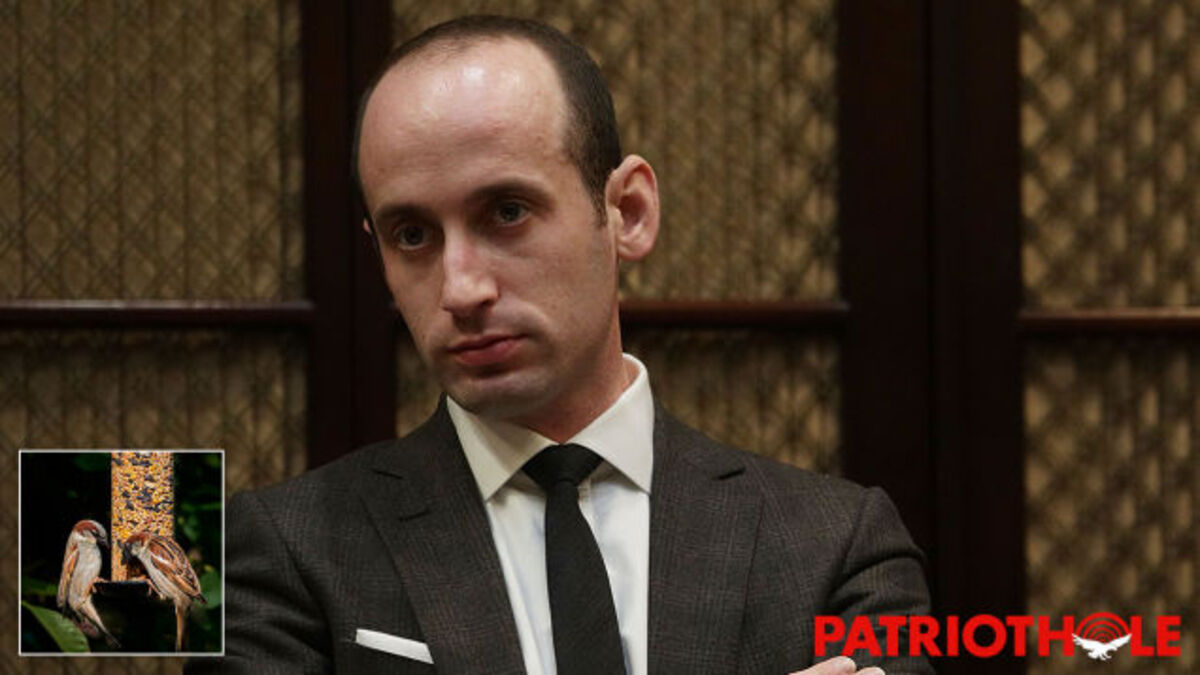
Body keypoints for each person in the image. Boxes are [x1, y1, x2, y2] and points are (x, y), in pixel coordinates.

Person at [187, 15, 931, 675]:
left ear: (627, 212)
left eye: (507, 212)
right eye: (411, 235)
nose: (461, 288)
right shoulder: (277, 550)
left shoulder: (837, 544)